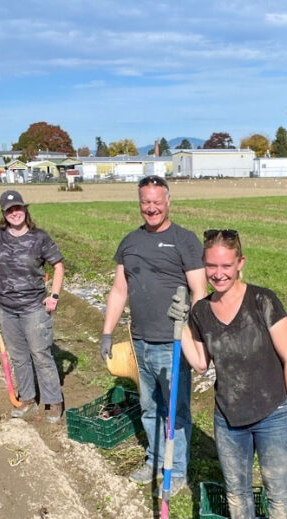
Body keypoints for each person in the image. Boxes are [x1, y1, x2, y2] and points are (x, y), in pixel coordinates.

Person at [174, 229, 287, 519]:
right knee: (236, 491)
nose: (218, 273)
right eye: (211, 266)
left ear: (240, 263)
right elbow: (201, 364)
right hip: (228, 417)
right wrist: (181, 330)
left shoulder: (263, 301)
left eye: (225, 265)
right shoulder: (201, 311)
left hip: (272, 413)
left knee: (278, 491)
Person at [101, 175, 206, 495]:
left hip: (173, 342)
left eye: (157, 202)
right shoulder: (129, 243)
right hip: (140, 341)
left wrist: (197, 336)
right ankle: (154, 459)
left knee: (175, 411)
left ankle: (176, 472)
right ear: (139, 203)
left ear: (168, 201)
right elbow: (120, 291)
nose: (151, 208)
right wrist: (107, 332)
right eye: (146, 202)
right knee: (148, 406)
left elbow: (199, 292)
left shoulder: (185, 240)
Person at [0, 190, 65, 422]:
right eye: (10, 210)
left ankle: (53, 401)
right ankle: (27, 399)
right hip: (6, 307)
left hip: (34, 307)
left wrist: (53, 295)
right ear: (4, 214)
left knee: (40, 353)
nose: (15, 213)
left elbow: (58, 266)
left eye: (18, 208)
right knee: (18, 356)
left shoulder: (40, 238)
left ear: (25, 210)